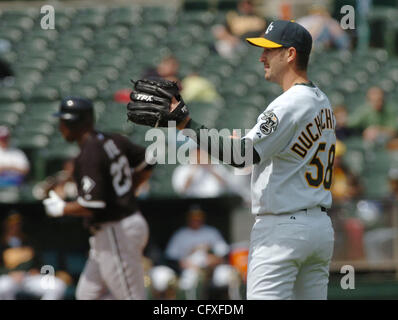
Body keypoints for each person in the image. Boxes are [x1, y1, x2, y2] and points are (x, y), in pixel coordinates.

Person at [127, 20, 336, 299]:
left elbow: (241, 156)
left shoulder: (289, 104)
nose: (262, 57)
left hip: (284, 230)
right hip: (318, 229)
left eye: (270, 50)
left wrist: (187, 124)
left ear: (290, 54)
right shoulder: (322, 101)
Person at [42, 97, 154, 300]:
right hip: (119, 228)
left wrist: (62, 208)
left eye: (65, 123)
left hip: (116, 230)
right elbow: (148, 160)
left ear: (76, 123)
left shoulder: (89, 154)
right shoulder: (112, 140)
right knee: (87, 295)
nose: (61, 128)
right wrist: (129, 188)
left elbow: (94, 205)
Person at [0, 212, 69, 300]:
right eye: (11, 224)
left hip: (29, 277)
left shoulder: (30, 242)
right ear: (5, 225)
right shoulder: (2, 244)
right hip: (8, 278)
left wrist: (36, 270)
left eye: (17, 224)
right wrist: (9, 273)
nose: (15, 227)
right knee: (2, 288)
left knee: (57, 286)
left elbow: (39, 262)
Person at [164, 207, 230, 299]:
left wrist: (215, 259)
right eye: (193, 218)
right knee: (190, 279)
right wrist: (183, 264)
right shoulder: (180, 234)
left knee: (226, 276)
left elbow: (224, 253)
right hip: (190, 269)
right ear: (188, 218)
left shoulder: (211, 232)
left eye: (198, 217)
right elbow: (171, 258)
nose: (196, 220)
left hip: (211, 270)